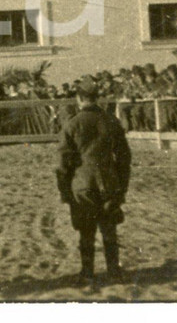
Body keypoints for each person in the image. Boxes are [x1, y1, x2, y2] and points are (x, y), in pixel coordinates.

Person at [55, 77, 132, 286]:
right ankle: (114, 272)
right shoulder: (111, 121)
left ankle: (87, 273)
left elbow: (62, 163)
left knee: (86, 232)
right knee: (109, 230)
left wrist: (64, 191)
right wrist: (122, 187)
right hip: (109, 182)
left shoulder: (72, 124)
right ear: (96, 98)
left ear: (79, 98)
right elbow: (124, 158)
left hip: (82, 184)